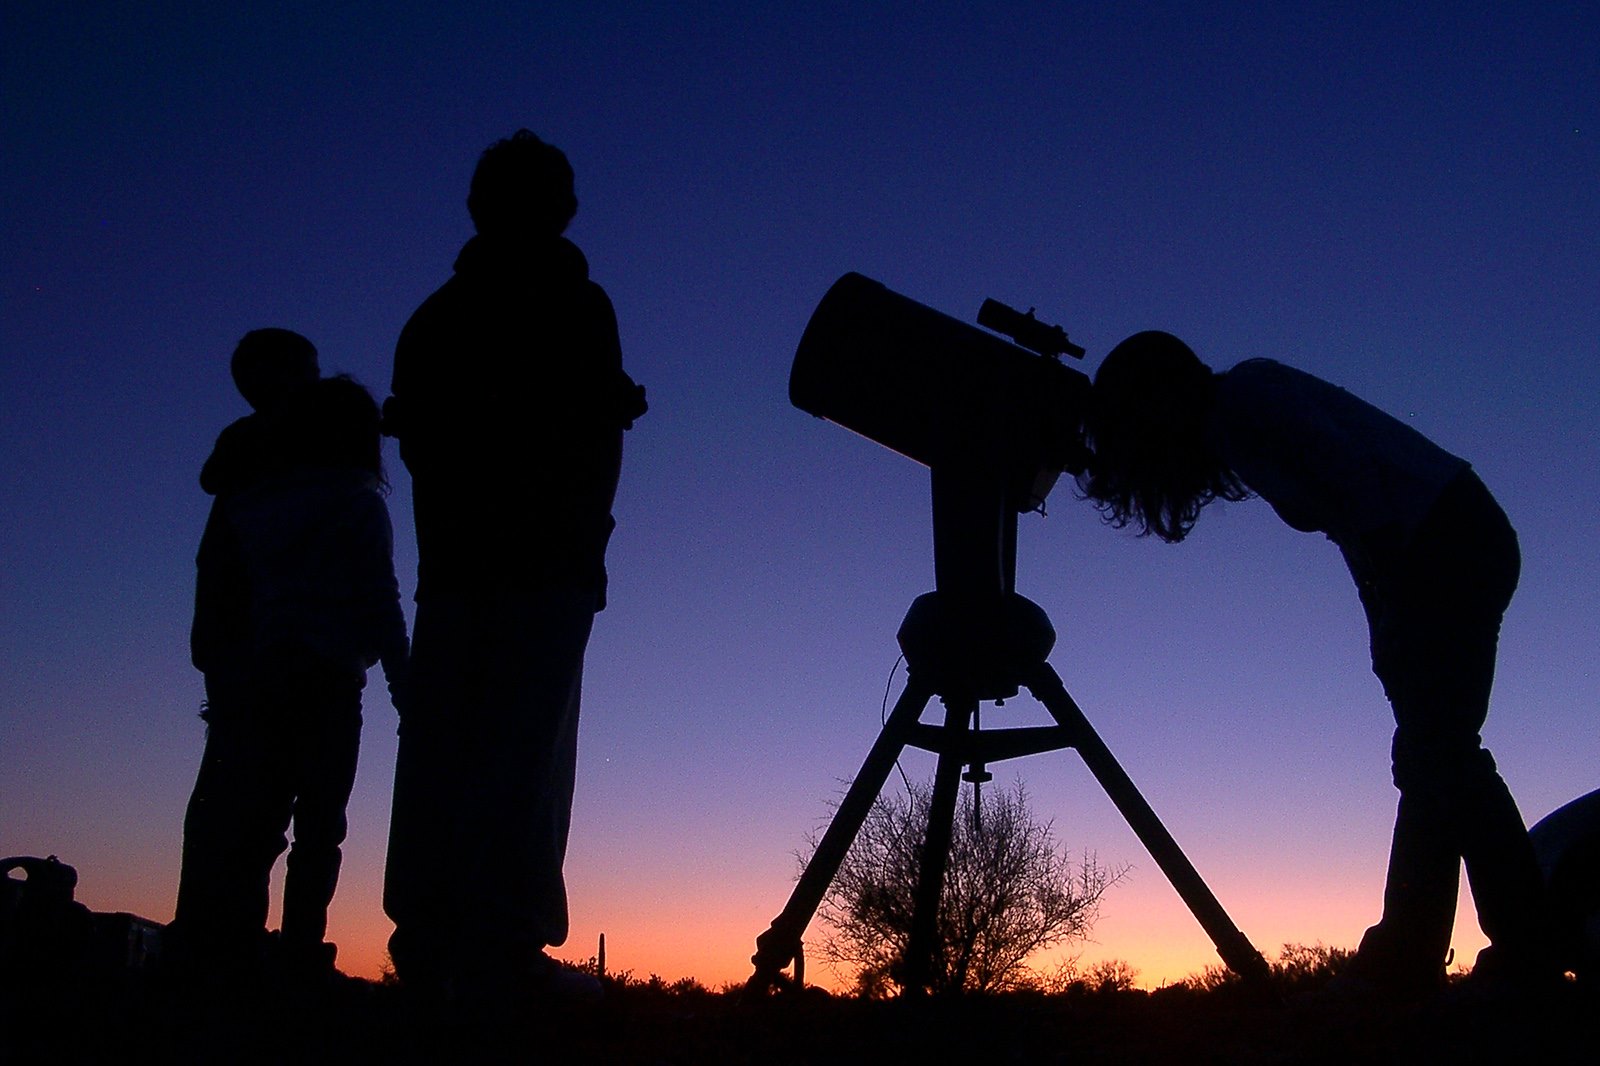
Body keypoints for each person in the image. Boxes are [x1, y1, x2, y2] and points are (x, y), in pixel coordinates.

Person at [1077, 331, 1554, 1001]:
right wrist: (1383, 624)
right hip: (1447, 544)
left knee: (1436, 752)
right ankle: (1495, 946)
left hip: (1449, 544)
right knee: (1440, 754)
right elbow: (1352, 519)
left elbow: (1360, 486)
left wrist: (1395, 604)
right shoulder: (1236, 423)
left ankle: (1431, 953)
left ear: (1158, 396)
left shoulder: (1247, 399)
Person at [381, 130, 646, 1000]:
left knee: (445, 750)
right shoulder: (578, 308)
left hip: (458, 566)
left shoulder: (433, 318)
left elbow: (422, 443)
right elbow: (589, 442)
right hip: (541, 566)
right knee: (523, 753)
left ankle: (431, 937)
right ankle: (499, 948)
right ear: (562, 208)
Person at [174, 339, 409, 983]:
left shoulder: (253, 504)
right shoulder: (357, 503)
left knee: (254, 824)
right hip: (329, 679)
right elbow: (380, 601)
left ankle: (234, 953)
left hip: (259, 673)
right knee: (320, 828)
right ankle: (300, 951)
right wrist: (404, 686)